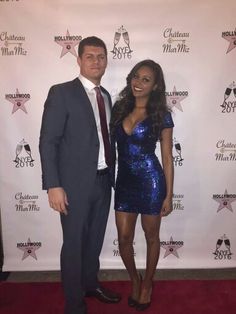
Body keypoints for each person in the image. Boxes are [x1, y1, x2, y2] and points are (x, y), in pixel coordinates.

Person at [39, 36, 121, 314]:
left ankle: (90, 284)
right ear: (79, 60)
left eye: (101, 56)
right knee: (73, 243)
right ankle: (74, 304)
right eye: (90, 56)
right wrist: (53, 185)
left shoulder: (107, 96)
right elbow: (48, 141)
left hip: (103, 180)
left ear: (106, 60)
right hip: (73, 185)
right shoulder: (61, 92)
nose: (96, 61)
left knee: (95, 239)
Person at [110, 59, 174, 311]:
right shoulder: (119, 108)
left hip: (151, 182)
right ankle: (134, 279)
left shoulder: (161, 114)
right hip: (124, 181)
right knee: (124, 238)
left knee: (151, 237)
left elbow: (167, 158)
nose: (138, 82)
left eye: (146, 79)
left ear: (155, 85)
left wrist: (168, 195)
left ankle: (147, 283)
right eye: (136, 76)